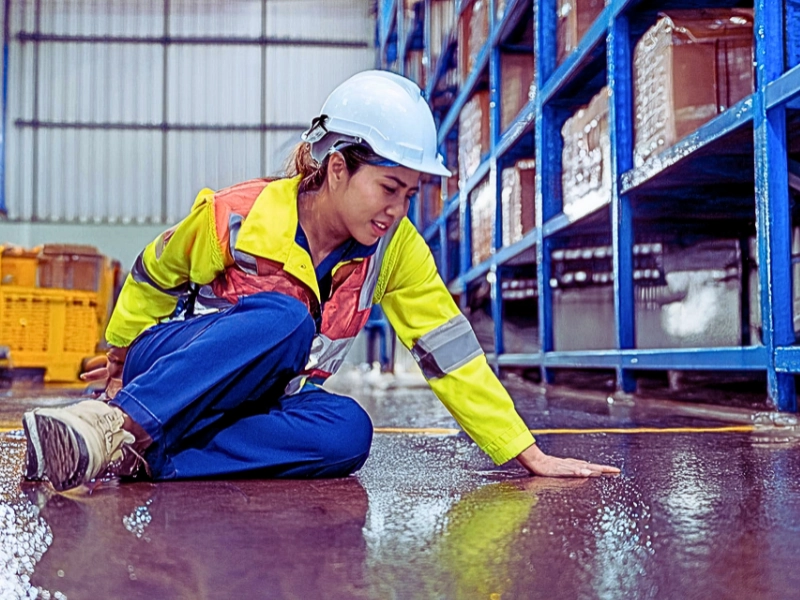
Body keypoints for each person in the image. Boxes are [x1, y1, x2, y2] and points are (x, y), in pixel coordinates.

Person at [22, 70, 619, 492]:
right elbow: (155, 271)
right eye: (389, 188)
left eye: (409, 195)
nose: (397, 211)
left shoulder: (397, 251)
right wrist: (122, 352)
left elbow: (450, 353)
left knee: (347, 433)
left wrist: (525, 451)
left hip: (263, 396)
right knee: (284, 321)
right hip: (175, 366)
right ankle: (111, 425)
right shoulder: (236, 214)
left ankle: (142, 457)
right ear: (338, 166)